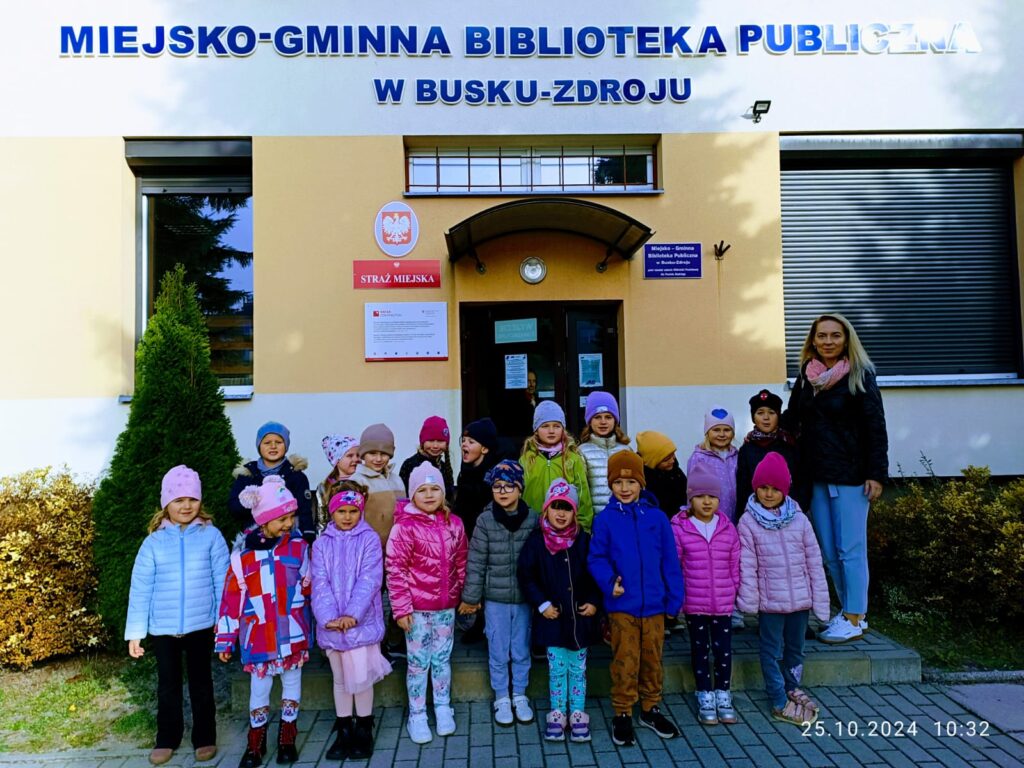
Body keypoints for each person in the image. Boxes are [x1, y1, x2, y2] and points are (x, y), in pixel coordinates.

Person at [783, 312, 888, 644]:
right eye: (822, 335)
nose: (828, 341)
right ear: (813, 340)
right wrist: (763, 423)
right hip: (815, 475)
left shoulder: (859, 375)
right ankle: (847, 613)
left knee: (851, 549)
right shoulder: (807, 377)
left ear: (846, 340)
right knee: (829, 550)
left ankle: (857, 615)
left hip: (852, 476)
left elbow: (875, 428)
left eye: (835, 336)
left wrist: (876, 473)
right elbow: (792, 418)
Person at [125, 466, 229, 766]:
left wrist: (225, 624)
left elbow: (223, 582)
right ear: (166, 504)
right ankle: (167, 738)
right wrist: (135, 632)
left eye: (192, 499)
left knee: (201, 683)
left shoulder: (211, 536)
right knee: (168, 685)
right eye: (178, 500)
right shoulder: (153, 543)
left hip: (201, 625)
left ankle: (205, 737)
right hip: (163, 628)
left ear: (200, 502)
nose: (186, 506)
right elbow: (141, 589)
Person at [588, 450, 684, 747]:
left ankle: (650, 707)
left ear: (641, 482)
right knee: (625, 661)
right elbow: (597, 558)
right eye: (618, 482)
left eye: (631, 481)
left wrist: (674, 600)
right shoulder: (604, 520)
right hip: (622, 607)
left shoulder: (657, 519)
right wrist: (608, 582)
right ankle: (623, 711)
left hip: (655, 607)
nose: (625, 487)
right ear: (611, 485)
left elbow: (670, 560)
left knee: (652, 659)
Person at [217, 476, 312, 768]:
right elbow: (231, 599)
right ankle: (255, 742)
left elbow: (309, 586)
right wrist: (225, 637)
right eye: (281, 518)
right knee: (259, 689)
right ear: (263, 520)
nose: (288, 523)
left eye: (291, 516)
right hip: (259, 636)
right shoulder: (242, 557)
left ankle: (287, 738)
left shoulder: (298, 548)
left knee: (292, 683)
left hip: (292, 632)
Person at [737, 453, 829, 727]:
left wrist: (820, 603)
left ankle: (792, 686)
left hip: (800, 601)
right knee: (770, 650)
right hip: (771, 603)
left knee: (796, 649)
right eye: (763, 487)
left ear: (785, 490)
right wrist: (750, 603)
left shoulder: (800, 520)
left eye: (775, 489)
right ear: (755, 487)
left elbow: (815, 561)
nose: (768, 494)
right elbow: (747, 565)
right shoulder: (748, 522)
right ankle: (777, 697)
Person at [385, 462, 469, 745]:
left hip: (445, 608)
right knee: (419, 663)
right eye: (423, 489)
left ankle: (443, 706)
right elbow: (395, 569)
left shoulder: (454, 524)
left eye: (435, 489)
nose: (430, 495)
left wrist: (464, 597)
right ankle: (418, 713)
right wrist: (401, 608)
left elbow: (462, 562)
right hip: (416, 610)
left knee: (442, 659)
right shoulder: (404, 527)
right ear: (412, 494)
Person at [311, 481, 392, 762]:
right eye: (341, 511)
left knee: (361, 677)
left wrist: (351, 616)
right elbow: (319, 583)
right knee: (340, 679)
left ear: (360, 511)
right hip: (332, 625)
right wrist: (329, 618)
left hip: (360, 623)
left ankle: (364, 725)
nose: (347, 516)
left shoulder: (369, 540)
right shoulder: (321, 544)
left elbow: (370, 580)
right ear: (331, 512)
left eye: (352, 511)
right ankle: (344, 727)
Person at [518, 479, 601, 744]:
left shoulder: (584, 540)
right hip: (552, 619)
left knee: (577, 669)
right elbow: (526, 575)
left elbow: (595, 574)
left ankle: (577, 712)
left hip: (579, 620)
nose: (561, 513)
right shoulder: (536, 541)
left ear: (574, 511)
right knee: (557, 668)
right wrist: (541, 604)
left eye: (566, 508)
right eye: (555, 507)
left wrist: (594, 601)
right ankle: (558, 712)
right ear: (546, 510)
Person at [458, 460, 538, 726]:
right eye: (497, 486)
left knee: (521, 649)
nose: (503, 491)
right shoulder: (485, 520)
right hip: (495, 599)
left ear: (520, 488)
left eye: (509, 486)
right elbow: (477, 561)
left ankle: (519, 694)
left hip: (525, 598)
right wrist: (471, 598)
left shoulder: (534, 519)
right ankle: (502, 697)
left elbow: (542, 560)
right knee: (498, 649)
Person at [670, 464, 740, 727]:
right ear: (691, 498)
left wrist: (733, 588)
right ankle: (705, 694)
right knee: (700, 650)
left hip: (722, 603)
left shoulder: (727, 527)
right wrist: (677, 599)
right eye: (700, 496)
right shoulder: (680, 528)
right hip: (695, 603)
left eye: (712, 496)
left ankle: (723, 693)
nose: (707, 501)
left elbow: (735, 562)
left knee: (723, 651)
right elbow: (675, 565)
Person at [350, 423, 407, 659]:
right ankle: (370, 642)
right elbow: (352, 517)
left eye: (384, 453)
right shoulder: (357, 480)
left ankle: (394, 641)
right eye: (372, 453)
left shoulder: (396, 480)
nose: (378, 458)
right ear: (363, 454)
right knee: (371, 598)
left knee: (397, 597)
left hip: (397, 553)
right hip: (369, 554)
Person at [453, 417, 501, 644]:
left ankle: (486, 625)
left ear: (485, 448)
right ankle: (476, 622)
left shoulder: (492, 476)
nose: (464, 445)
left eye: (471, 441)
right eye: (464, 440)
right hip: (467, 536)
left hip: (487, 538)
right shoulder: (466, 470)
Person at [229, 421, 315, 542]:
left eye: (278, 442)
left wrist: (308, 537)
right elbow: (234, 507)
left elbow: (304, 510)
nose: (273, 446)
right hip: (255, 537)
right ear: (259, 446)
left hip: (289, 536)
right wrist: (257, 501)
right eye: (267, 442)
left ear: (286, 445)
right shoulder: (247, 475)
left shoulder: (296, 476)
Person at [521, 401, 593, 531]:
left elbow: (583, 495)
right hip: (531, 527)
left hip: (565, 528)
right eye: (545, 426)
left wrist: (582, 528)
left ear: (563, 429)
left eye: (556, 426)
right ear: (536, 430)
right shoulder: (526, 460)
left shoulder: (572, 459)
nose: (551, 431)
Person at [735, 390, 799, 520]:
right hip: (755, 516)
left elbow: (800, 482)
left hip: (788, 515)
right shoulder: (747, 449)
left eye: (771, 413)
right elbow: (743, 487)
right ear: (753, 417)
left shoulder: (789, 445)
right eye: (760, 413)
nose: (766, 418)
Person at [578, 391, 631, 514]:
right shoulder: (582, 451)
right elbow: (581, 491)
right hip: (597, 519)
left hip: (623, 517)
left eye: (608, 417)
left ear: (615, 421)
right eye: (597, 417)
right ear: (590, 421)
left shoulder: (626, 450)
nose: (603, 422)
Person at [399, 416, 455, 507]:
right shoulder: (410, 465)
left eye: (440, 441)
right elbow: (404, 500)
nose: (435, 446)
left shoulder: (444, 467)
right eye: (431, 440)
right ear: (422, 442)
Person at [636, 430, 687, 520]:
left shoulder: (677, 473)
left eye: (673, 455)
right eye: (666, 459)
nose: (672, 461)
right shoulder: (645, 482)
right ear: (652, 462)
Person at [316, 434, 360, 534]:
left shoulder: (362, 483)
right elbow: (322, 522)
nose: (356, 459)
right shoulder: (325, 486)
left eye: (358, 455)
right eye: (350, 456)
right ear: (337, 460)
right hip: (334, 540)